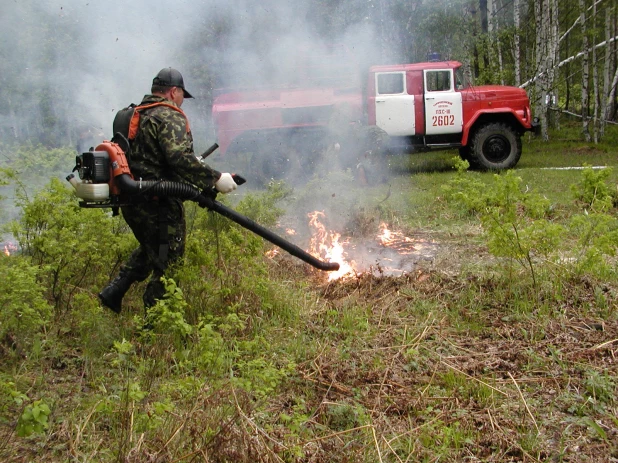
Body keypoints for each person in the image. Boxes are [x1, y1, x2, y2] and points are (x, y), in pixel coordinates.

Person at [98, 67, 237, 313]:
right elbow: (178, 159)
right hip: (158, 202)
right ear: (174, 91)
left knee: (154, 245)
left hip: (133, 201)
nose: (183, 101)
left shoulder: (130, 114)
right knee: (169, 262)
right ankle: (156, 325)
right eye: (182, 94)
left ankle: (116, 290)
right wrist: (215, 178)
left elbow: (150, 158)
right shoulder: (169, 115)